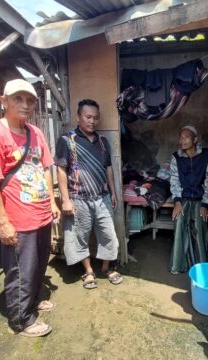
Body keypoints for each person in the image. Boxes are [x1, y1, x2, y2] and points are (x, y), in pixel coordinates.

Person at [0, 79, 61, 337]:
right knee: (19, 271)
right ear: (4, 101)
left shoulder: (35, 132)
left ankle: (32, 303)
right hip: (16, 218)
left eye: (30, 100)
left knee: (37, 265)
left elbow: (46, 167)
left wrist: (52, 202)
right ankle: (21, 320)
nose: (25, 105)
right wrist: (3, 222)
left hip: (41, 214)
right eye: (18, 99)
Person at [55, 99, 123, 289]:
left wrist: (113, 192)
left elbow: (108, 168)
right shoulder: (67, 141)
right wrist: (65, 200)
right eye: (88, 117)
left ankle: (106, 268)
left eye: (95, 118)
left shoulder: (102, 142)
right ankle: (88, 271)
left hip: (102, 197)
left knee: (109, 235)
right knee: (79, 236)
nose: (92, 121)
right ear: (78, 117)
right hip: (78, 199)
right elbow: (61, 170)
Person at [169, 125, 208, 274]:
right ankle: (179, 265)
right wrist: (177, 202)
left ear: (195, 139)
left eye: (186, 137)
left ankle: (201, 265)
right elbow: (174, 180)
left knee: (199, 224)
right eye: (181, 137)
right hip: (183, 198)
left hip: (201, 198)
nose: (183, 140)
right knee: (179, 220)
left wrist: (206, 204)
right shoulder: (176, 157)